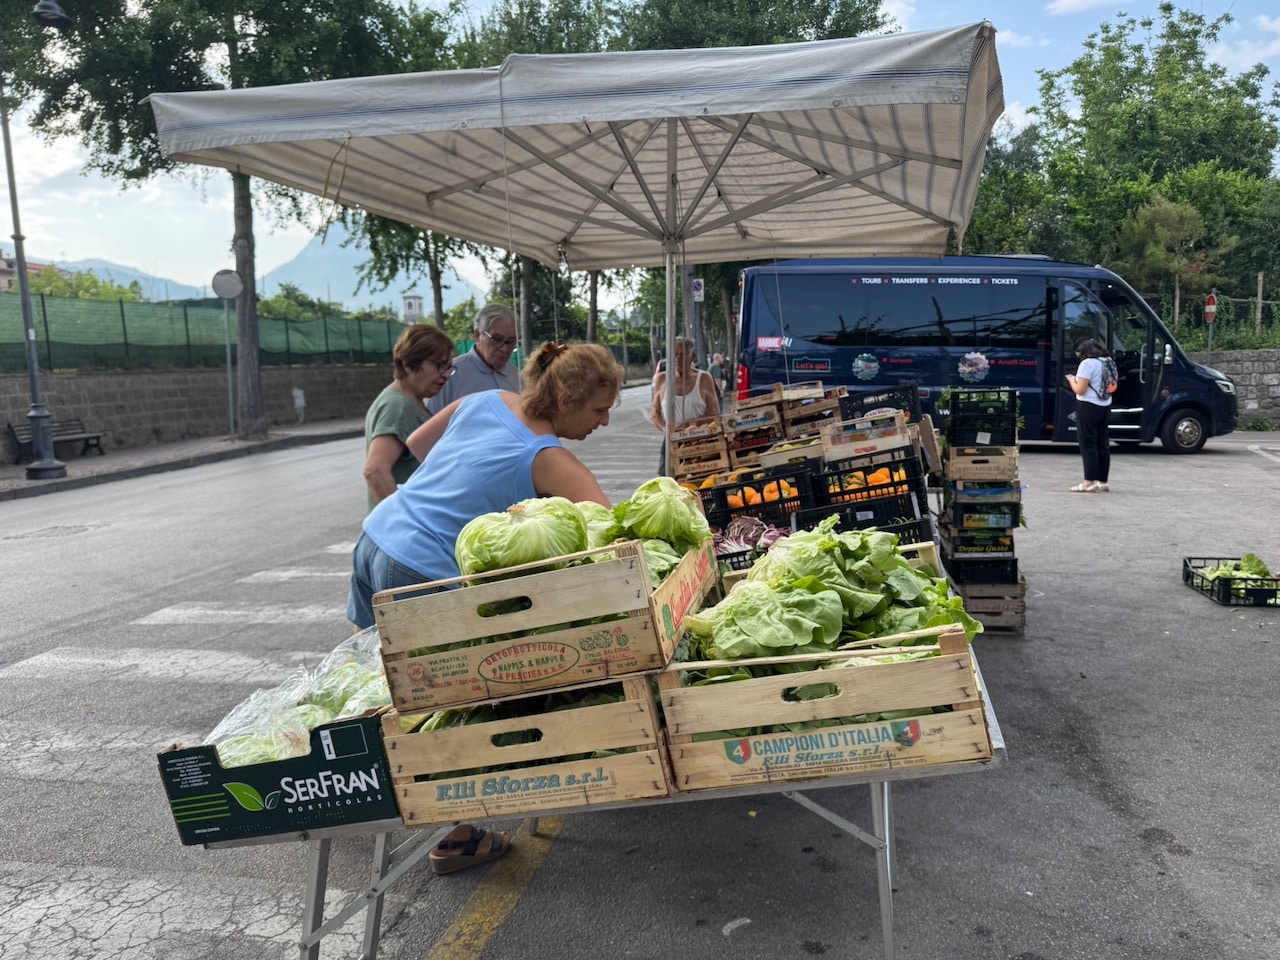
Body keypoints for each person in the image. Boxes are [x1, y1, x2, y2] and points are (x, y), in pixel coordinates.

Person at [348, 340, 622, 629]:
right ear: (566, 401)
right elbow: (614, 536)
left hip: (376, 535)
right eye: (599, 410)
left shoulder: (487, 398)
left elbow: (418, 443)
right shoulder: (551, 460)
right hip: (419, 567)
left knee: (364, 663)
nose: (604, 421)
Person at [361, 325, 456, 511]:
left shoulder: (412, 402)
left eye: (449, 367)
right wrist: (402, 520)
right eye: (439, 365)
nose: (445, 375)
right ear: (409, 363)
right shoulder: (397, 406)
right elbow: (375, 470)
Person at [426, 302, 521, 414]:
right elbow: (428, 420)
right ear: (477, 335)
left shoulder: (518, 377)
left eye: (511, 342)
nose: (504, 348)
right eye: (497, 339)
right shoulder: (450, 375)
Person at [651, 336, 722, 473]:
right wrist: (666, 430)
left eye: (683, 355)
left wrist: (690, 426)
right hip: (671, 442)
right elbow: (655, 413)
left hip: (700, 441)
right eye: (675, 355)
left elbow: (714, 413)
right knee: (667, 479)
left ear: (693, 356)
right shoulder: (662, 379)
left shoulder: (704, 378)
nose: (678, 359)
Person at [1065, 336, 1114, 493]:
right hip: (1105, 404)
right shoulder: (1108, 361)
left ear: (1082, 351)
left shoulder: (1087, 364)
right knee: (1102, 443)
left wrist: (1072, 380)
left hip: (1088, 405)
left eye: (1078, 353)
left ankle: (1088, 481)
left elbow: (1081, 389)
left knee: (1088, 443)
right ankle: (1102, 481)